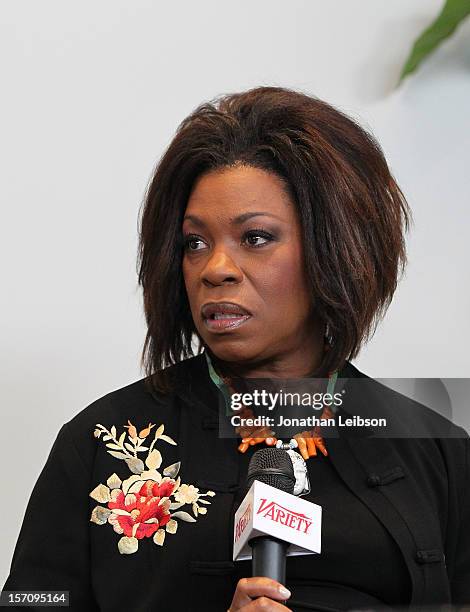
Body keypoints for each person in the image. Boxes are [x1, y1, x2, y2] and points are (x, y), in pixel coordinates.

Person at [2, 87, 469, 612]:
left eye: (255, 237)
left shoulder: (438, 448)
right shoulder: (98, 440)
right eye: (194, 243)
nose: (214, 268)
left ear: (338, 248)